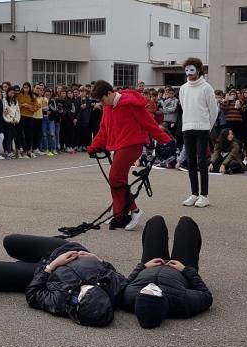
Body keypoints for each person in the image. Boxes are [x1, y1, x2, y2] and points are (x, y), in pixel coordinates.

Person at [0, 235, 127, 327]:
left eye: (79, 294)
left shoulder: (61, 302)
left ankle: (26, 265)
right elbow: (118, 275)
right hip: (65, 250)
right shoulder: (113, 288)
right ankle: (28, 261)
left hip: (45, 272)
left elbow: (33, 294)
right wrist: (97, 259)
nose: (81, 289)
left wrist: (51, 266)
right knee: (10, 241)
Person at [87, 80, 173, 230]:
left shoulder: (130, 104)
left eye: (102, 99)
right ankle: (120, 214)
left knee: (115, 177)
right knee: (118, 180)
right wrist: (94, 146)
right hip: (119, 146)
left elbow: (149, 123)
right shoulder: (108, 107)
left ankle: (135, 211)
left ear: (109, 93)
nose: (102, 103)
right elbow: (104, 129)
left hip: (132, 145)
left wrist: (165, 140)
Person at [121, 215, 212, 329]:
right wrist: (186, 270)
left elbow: (123, 284)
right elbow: (206, 295)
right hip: (179, 269)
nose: (151, 285)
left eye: (144, 290)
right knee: (186, 223)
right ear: (162, 299)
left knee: (155, 222)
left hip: (151, 264)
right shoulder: (182, 302)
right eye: (154, 290)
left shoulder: (128, 298)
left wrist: (143, 266)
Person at [178, 57, 219, 208]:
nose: (189, 73)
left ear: (198, 70)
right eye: (186, 70)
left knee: (202, 162)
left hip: (202, 128)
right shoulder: (183, 88)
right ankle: (194, 193)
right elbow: (184, 106)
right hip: (187, 127)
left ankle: (204, 195)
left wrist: (208, 126)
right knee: (191, 162)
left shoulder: (206, 87)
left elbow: (213, 109)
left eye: (192, 70)